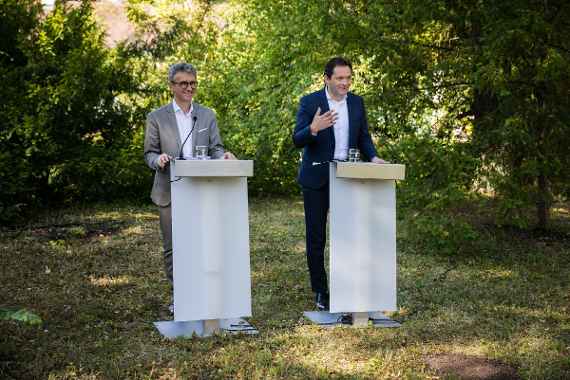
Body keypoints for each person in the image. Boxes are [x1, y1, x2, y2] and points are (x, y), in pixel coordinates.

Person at [293, 57, 387, 311]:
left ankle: (348, 286)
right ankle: (321, 291)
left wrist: (375, 157)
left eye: (348, 78)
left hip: (349, 176)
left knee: (349, 235)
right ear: (327, 79)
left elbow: (363, 137)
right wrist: (313, 128)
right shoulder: (310, 102)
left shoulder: (356, 103)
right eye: (340, 78)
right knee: (316, 238)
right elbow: (296, 139)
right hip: (317, 178)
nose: (345, 83)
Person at [144, 62, 235, 312]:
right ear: (171, 86)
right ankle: (180, 297)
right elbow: (149, 153)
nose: (189, 88)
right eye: (183, 83)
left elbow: (215, 147)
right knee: (174, 246)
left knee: (203, 244)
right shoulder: (156, 117)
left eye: (193, 83)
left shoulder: (206, 115)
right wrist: (159, 160)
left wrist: (223, 156)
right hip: (169, 189)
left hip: (201, 189)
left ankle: (203, 294)